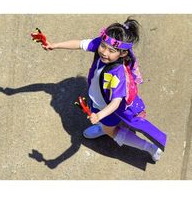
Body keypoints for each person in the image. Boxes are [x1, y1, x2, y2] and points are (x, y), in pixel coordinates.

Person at [40, 17, 166, 162]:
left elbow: (116, 102)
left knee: (111, 131)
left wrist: (99, 116)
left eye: (111, 50)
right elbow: (80, 44)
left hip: (107, 108)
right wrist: (54, 45)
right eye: (103, 46)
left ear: (123, 53)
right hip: (97, 101)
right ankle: (104, 127)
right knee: (105, 124)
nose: (104, 52)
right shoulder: (103, 46)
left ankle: (148, 147)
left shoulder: (117, 74)